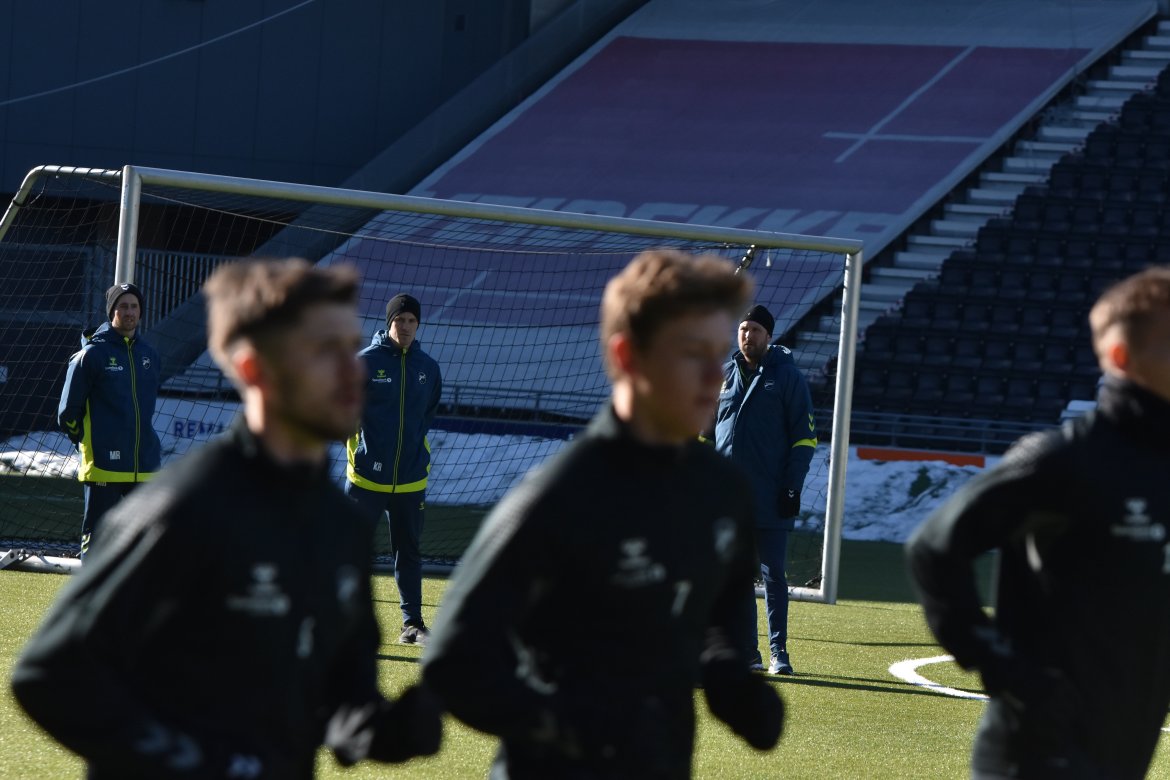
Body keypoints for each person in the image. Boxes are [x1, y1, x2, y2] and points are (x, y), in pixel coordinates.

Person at [12, 258, 442, 779]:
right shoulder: (179, 507)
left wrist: (389, 728)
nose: (351, 370)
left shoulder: (341, 525)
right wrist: (192, 760)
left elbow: (343, 697)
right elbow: (48, 674)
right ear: (255, 369)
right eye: (322, 351)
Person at [423, 249, 784, 779]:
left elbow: (719, 609)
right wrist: (559, 724)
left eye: (717, 355)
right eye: (692, 354)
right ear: (628, 356)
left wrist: (727, 673)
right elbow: (452, 658)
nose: (715, 376)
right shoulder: (558, 496)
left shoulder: (722, 492)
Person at [905, 266, 1170, 779]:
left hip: (1123, 755)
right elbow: (933, 548)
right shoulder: (1065, 459)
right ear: (1121, 357)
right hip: (1035, 758)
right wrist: (1004, 669)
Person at [711, 304, 817, 676]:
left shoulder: (788, 377)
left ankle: (779, 653)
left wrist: (791, 487)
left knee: (773, 575)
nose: (748, 335)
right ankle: (749, 654)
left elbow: (805, 438)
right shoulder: (724, 377)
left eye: (755, 330)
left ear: (769, 336)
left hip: (771, 496)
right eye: (743, 329)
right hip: (729, 499)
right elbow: (706, 433)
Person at [345, 292, 442, 645]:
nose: (406, 326)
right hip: (366, 478)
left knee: (409, 552)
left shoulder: (428, 368)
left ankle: (412, 625)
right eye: (399, 320)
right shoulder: (364, 363)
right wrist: (362, 450)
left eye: (412, 321)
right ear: (388, 323)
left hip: (410, 481)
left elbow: (427, 415)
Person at [58, 282, 162, 556]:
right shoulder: (91, 355)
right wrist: (89, 442)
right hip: (104, 466)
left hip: (144, 466)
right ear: (112, 311)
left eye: (134, 306)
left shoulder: (149, 355)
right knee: (97, 545)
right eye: (123, 306)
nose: (129, 312)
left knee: (145, 546)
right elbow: (67, 413)